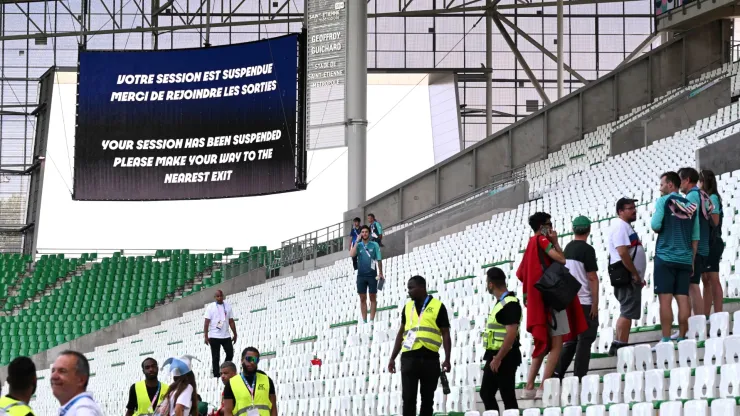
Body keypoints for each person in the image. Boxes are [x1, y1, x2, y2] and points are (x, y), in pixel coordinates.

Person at [517, 212, 587, 399]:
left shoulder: (529, 245)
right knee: (556, 344)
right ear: (542, 227)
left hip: (538, 301)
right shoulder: (541, 241)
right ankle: (543, 387)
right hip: (552, 300)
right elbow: (562, 259)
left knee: (542, 344)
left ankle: (529, 386)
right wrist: (555, 241)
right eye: (549, 224)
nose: (552, 227)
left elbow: (520, 273)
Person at [387, 275, 452, 416]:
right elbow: (401, 333)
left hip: (430, 358)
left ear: (422, 288)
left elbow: (446, 333)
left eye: (411, 288)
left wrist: (447, 358)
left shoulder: (438, 307)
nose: (408, 291)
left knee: (427, 400)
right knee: (408, 399)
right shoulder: (407, 307)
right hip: (409, 357)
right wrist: (392, 357)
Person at [652, 171, 699, 344]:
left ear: (671, 184)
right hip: (685, 258)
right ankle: (682, 336)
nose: (660, 188)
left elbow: (655, 225)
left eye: (662, 184)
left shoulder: (663, 201)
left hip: (665, 257)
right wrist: (692, 259)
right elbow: (695, 236)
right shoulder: (691, 205)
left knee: (665, 299)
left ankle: (665, 338)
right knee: (683, 298)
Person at [554, 216, 599, 379]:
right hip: (584, 301)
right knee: (585, 338)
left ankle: (557, 372)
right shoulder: (587, 250)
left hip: (570, 301)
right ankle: (580, 375)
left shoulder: (568, 248)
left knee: (572, 340)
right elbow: (592, 277)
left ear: (573, 230)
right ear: (589, 230)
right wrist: (595, 303)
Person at [607, 198, 647, 355]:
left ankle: (619, 344)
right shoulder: (620, 227)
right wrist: (635, 274)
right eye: (629, 208)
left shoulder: (624, 226)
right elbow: (623, 252)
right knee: (627, 311)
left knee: (627, 310)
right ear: (620, 212)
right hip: (627, 276)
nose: (634, 210)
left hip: (629, 275)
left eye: (634, 207)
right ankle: (620, 345)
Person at [479, 268, 522, 412]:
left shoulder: (510, 304)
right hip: (495, 355)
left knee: (507, 396)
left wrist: (498, 358)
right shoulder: (502, 303)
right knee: (486, 393)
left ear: (491, 284)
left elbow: (511, 334)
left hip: (505, 356)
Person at [679, 167, 708, 317]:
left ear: (687, 180)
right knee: (693, 285)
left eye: (680, 180)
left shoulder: (691, 197)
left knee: (692, 286)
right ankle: (696, 323)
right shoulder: (701, 194)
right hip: (703, 246)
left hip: (695, 248)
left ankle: (697, 325)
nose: (679, 185)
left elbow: (691, 224)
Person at [223, 347, 278, 416]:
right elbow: (228, 412)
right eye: (249, 359)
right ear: (242, 360)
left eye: (255, 360)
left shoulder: (267, 380)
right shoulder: (231, 384)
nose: (252, 362)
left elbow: (273, 408)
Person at [700, 170, 725, 315]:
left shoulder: (713, 198)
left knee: (713, 278)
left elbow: (715, 221)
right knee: (705, 279)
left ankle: (718, 313)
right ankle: (706, 315)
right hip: (706, 243)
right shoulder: (707, 198)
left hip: (713, 242)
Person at [50, 350, 104, 416]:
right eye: (53, 371)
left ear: (81, 380)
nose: (53, 376)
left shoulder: (84, 409)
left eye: (62, 371)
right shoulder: (75, 408)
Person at [349, 225, 384, 323]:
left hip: (372, 275)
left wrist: (381, 273)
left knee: (373, 297)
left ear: (369, 233)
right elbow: (351, 254)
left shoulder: (374, 245)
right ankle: (364, 321)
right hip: (361, 276)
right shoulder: (359, 245)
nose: (364, 234)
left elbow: (379, 259)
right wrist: (357, 241)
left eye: (366, 232)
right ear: (361, 234)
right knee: (362, 298)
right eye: (362, 232)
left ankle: (372, 319)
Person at [204, 290, 237, 378]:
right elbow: (206, 322)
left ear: (223, 296)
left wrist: (235, 334)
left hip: (226, 335)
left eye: (221, 296)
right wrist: (206, 336)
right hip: (214, 336)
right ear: (215, 297)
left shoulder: (228, 306)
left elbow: (231, 321)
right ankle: (216, 375)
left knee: (230, 353)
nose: (220, 298)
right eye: (218, 296)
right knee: (215, 357)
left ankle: (224, 368)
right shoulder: (210, 307)